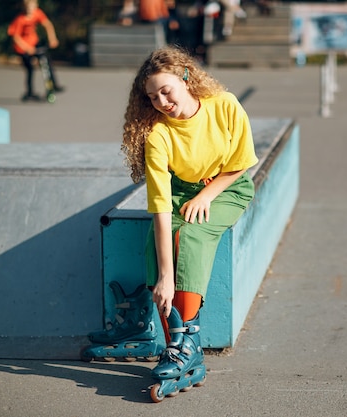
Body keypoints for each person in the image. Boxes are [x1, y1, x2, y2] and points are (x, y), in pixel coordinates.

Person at [121, 46, 258, 398]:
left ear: (185, 77)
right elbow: (161, 209)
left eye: (166, 91)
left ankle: (189, 341)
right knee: (161, 249)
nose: (162, 101)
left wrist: (207, 195)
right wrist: (165, 277)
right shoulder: (158, 136)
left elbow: (242, 161)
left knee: (193, 235)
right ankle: (176, 347)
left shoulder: (224, 104)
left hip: (229, 186)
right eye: (152, 98)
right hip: (182, 190)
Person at [8, 0, 63, 102]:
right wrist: (27, 48)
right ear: (24, 8)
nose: (30, 10)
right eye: (28, 8)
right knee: (30, 69)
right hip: (22, 48)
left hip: (34, 43)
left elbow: (48, 24)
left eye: (32, 7)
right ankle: (30, 92)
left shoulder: (37, 13)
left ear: (35, 6)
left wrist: (52, 38)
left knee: (46, 61)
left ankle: (53, 85)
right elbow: (15, 37)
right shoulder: (19, 20)